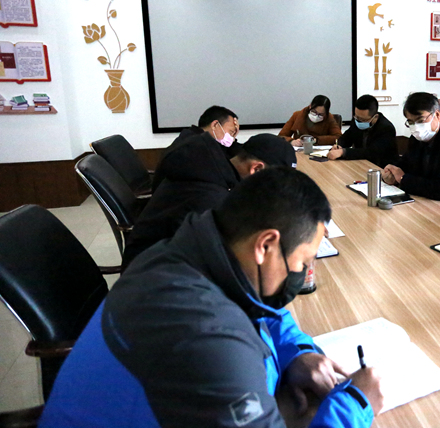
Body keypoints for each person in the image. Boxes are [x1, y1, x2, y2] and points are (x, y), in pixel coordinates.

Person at [40, 168, 384, 428]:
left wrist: (298, 352)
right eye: (303, 261)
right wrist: (356, 403)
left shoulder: (192, 253)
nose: (304, 272)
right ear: (265, 245)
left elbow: (262, 309)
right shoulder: (205, 336)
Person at [122, 133, 296, 269]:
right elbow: (225, 261)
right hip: (150, 282)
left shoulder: (213, 168)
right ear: (256, 169)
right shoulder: (208, 196)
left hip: (158, 267)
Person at [152, 105, 240, 190]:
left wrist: (233, 139)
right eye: (231, 132)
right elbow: (228, 178)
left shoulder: (192, 139)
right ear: (215, 125)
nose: (231, 138)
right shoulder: (194, 147)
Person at [327, 94, 398, 167]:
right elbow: (346, 137)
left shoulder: (386, 128)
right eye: (356, 117)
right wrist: (339, 146)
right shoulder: (356, 121)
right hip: (360, 164)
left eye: (363, 119)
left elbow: (372, 152)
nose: (358, 121)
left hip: (381, 167)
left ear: (375, 117)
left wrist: (344, 152)